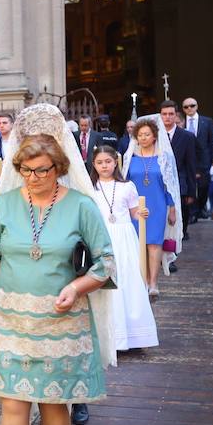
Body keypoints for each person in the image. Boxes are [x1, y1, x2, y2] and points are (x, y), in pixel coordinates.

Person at [0, 104, 114, 425]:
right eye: (28, 170)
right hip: (12, 321)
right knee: (13, 406)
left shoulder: (80, 206)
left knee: (55, 405)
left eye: (44, 169)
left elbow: (105, 263)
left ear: (60, 166)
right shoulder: (3, 206)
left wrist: (76, 287)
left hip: (62, 322)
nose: (35, 177)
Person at [90, 146, 159, 351]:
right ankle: (108, 336)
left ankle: (133, 336)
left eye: (108, 162)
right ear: (94, 164)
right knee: (106, 282)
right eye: (100, 162)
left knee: (127, 280)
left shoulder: (127, 186)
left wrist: (142, 213)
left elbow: (134, 212)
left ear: (116, 162)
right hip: (102, 237)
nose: (104, 166)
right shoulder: (90, 187)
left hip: (124, 236)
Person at [123, 117, 180, 297]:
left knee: (154, 244)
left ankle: (153, 283)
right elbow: (124, 182)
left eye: (147, 134)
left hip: (157, 204)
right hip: (134, 207)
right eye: (140, 135)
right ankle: (142, 281)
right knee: (137, 244)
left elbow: (169, 184)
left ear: (154, 136)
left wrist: (172, 208)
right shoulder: (129, 158)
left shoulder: (164, 157)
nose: (143, 138)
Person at [158, 100, 196, 243]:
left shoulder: (187, 137)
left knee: (178, 222)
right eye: (164, 114)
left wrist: (192, 192)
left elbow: (191, 165)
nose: (167, 117)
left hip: (180, 184)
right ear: (160, 115)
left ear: (176, 115)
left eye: (171, 114)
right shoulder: (154, 136)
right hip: (158, 184)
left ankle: (172, 256)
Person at [182, 98, 213, 221]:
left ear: (197, 106)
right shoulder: (181, 122)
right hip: (186, 160)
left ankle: (200, 208)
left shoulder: (206, 121)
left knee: (203, 186)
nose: (189, 108)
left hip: (203, 160)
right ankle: (192, 212)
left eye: (192, 105)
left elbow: (212, 142)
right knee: (190, 186)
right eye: (186, 107)